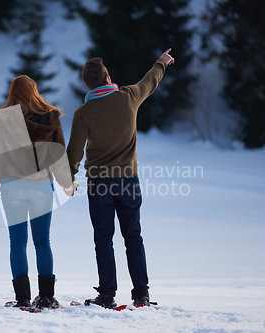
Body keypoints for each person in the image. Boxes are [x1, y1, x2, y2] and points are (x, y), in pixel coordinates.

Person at [66, 49, 175, 308]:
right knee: (133, 237)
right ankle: (141, 295)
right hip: (128, 181)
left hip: (100, 184)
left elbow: (73, 153)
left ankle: (106, 295)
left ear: (87, 84)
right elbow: (150, 80)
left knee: (103, 240)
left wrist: (68, 179)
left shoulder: (83, 113)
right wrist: (162, 62)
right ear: (107, 77)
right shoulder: (128, 97)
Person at [0, 75, 78, 309]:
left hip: (12, 188)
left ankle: (23, 299)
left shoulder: (2, 118)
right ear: (35, 91)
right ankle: (46, 298)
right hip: (42, 187)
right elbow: (58, 155)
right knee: (43, 242)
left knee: (17, 243)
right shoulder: (51, 116)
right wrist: (67, 183)